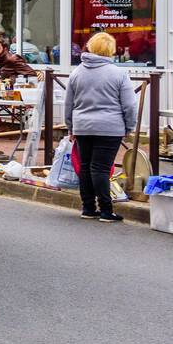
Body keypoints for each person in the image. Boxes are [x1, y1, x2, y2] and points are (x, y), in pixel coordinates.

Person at [64, 32, 136, 223]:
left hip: (82, 126)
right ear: (110, 50)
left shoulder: (77, 72)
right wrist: (129, 126)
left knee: (86, 167)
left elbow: (68, 104)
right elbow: (129, 104)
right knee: (101, 169)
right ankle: (106, 210)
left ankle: (88, 207)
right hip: (110, 127)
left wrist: (71, 127)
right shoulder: (118, 73)